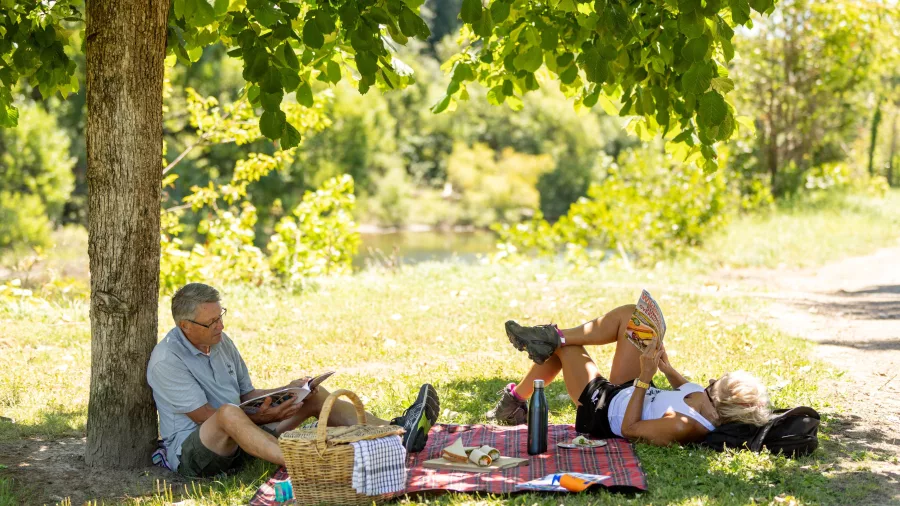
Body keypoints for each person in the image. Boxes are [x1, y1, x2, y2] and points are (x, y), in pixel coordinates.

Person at [148, 283, 440, 478]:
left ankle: (396, 434)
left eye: (220, 316)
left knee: (313, 394)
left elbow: (247, 394)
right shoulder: (167, 360)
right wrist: (264, 417)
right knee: (227, 413)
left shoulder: (221, 341)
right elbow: (211, 417)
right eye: (211, 322)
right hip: (198, 453)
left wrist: (288, 391)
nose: (221, 325)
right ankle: (302, 463)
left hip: (246, 436)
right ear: (185, 326)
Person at [485, 304, 771, 446]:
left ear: (719, 401)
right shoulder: (704, 400)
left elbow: (630, 429)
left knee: (566, 350)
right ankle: (550, 336)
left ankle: (513, 402)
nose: (709, 381)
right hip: (632, 389)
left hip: (605, 408)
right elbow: (687, 388)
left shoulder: (685, 426)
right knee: (634, 316)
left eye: (715, 384)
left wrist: (645, 379)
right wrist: (666, 367)